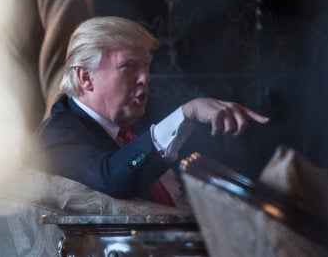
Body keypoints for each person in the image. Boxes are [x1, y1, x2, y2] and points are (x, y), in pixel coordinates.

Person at [24, 16, 270, 201]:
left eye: (147, 66)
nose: (145, 78)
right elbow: (114, 179)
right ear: (86, 78)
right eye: (129, 66)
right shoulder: (56, 136)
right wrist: (186, 113)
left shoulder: (136, 124)